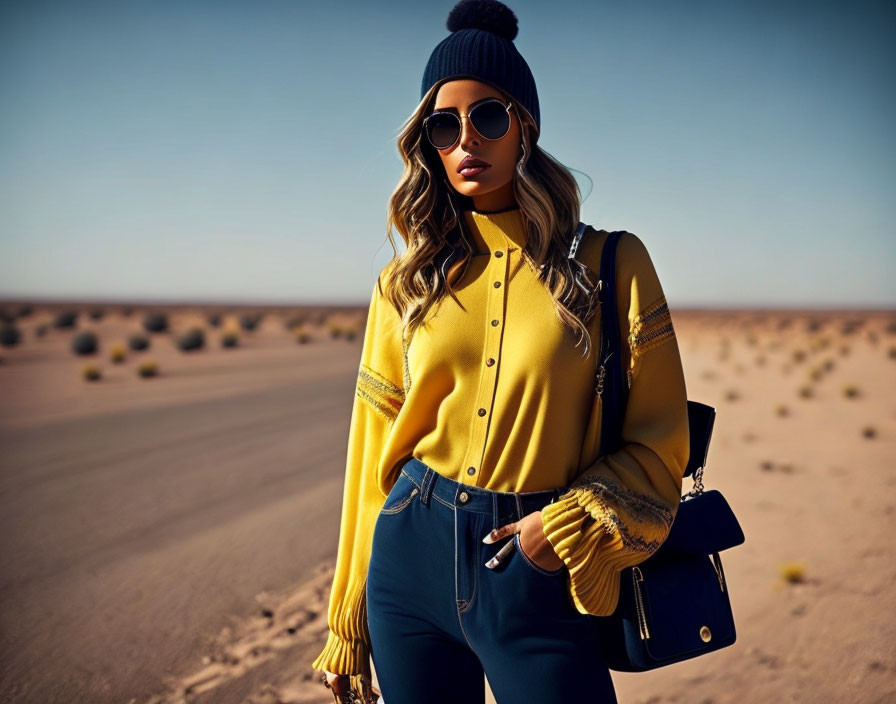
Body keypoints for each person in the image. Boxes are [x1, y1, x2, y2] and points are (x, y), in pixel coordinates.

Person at [311, 1, 690, 702]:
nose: (464, 141)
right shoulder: (405, 283)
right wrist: (348, 620)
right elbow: (372, 457)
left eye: (487, 116)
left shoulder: (610, 264)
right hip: (408, 560)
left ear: (525, 126)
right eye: (442, 125)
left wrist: (560, 527)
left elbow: (663, 440)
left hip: (535, 566)